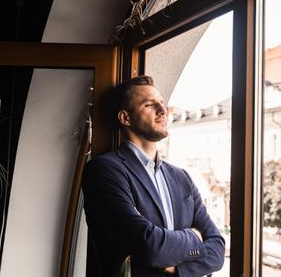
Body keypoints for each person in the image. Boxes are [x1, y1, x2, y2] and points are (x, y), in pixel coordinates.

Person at [81, 75, 225, 277]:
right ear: (125, 118)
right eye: (149, 105)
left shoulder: (181, 177)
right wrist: (194, 236)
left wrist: (178, 268)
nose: (162, 110)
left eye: (162, 104)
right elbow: (149, 246)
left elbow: (218, 249)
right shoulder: (103, 171)